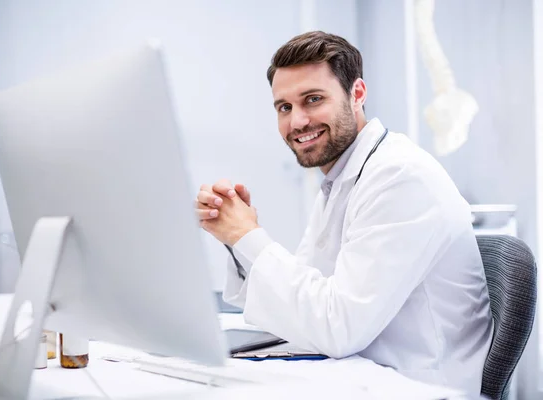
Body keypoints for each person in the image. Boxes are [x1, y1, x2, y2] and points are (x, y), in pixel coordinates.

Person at [195, 31, 493, 396]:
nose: (297, 122)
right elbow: (304, 304)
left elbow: (339, 329)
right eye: (284, 107)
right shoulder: (343, 177)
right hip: (361, 374)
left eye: (313, 99)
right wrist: (237, 236)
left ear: (357, 94)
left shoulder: (400, 177)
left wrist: (247, 236)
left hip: (420, 385)